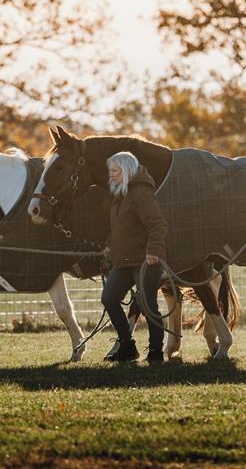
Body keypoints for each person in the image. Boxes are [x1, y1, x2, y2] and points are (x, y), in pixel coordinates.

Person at [101, 151, 169, 363]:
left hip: (145, 262)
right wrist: (109, 248)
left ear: (127, 171)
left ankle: (156, 352)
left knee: (148, 305)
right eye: (110, 171)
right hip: (123, 260)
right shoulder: (119, 196)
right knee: (109, 298)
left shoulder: (141, 194)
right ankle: (127, 346)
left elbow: (158, 224)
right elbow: (120, 230)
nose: (111, 175)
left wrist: (153, 251)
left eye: (115, 171)